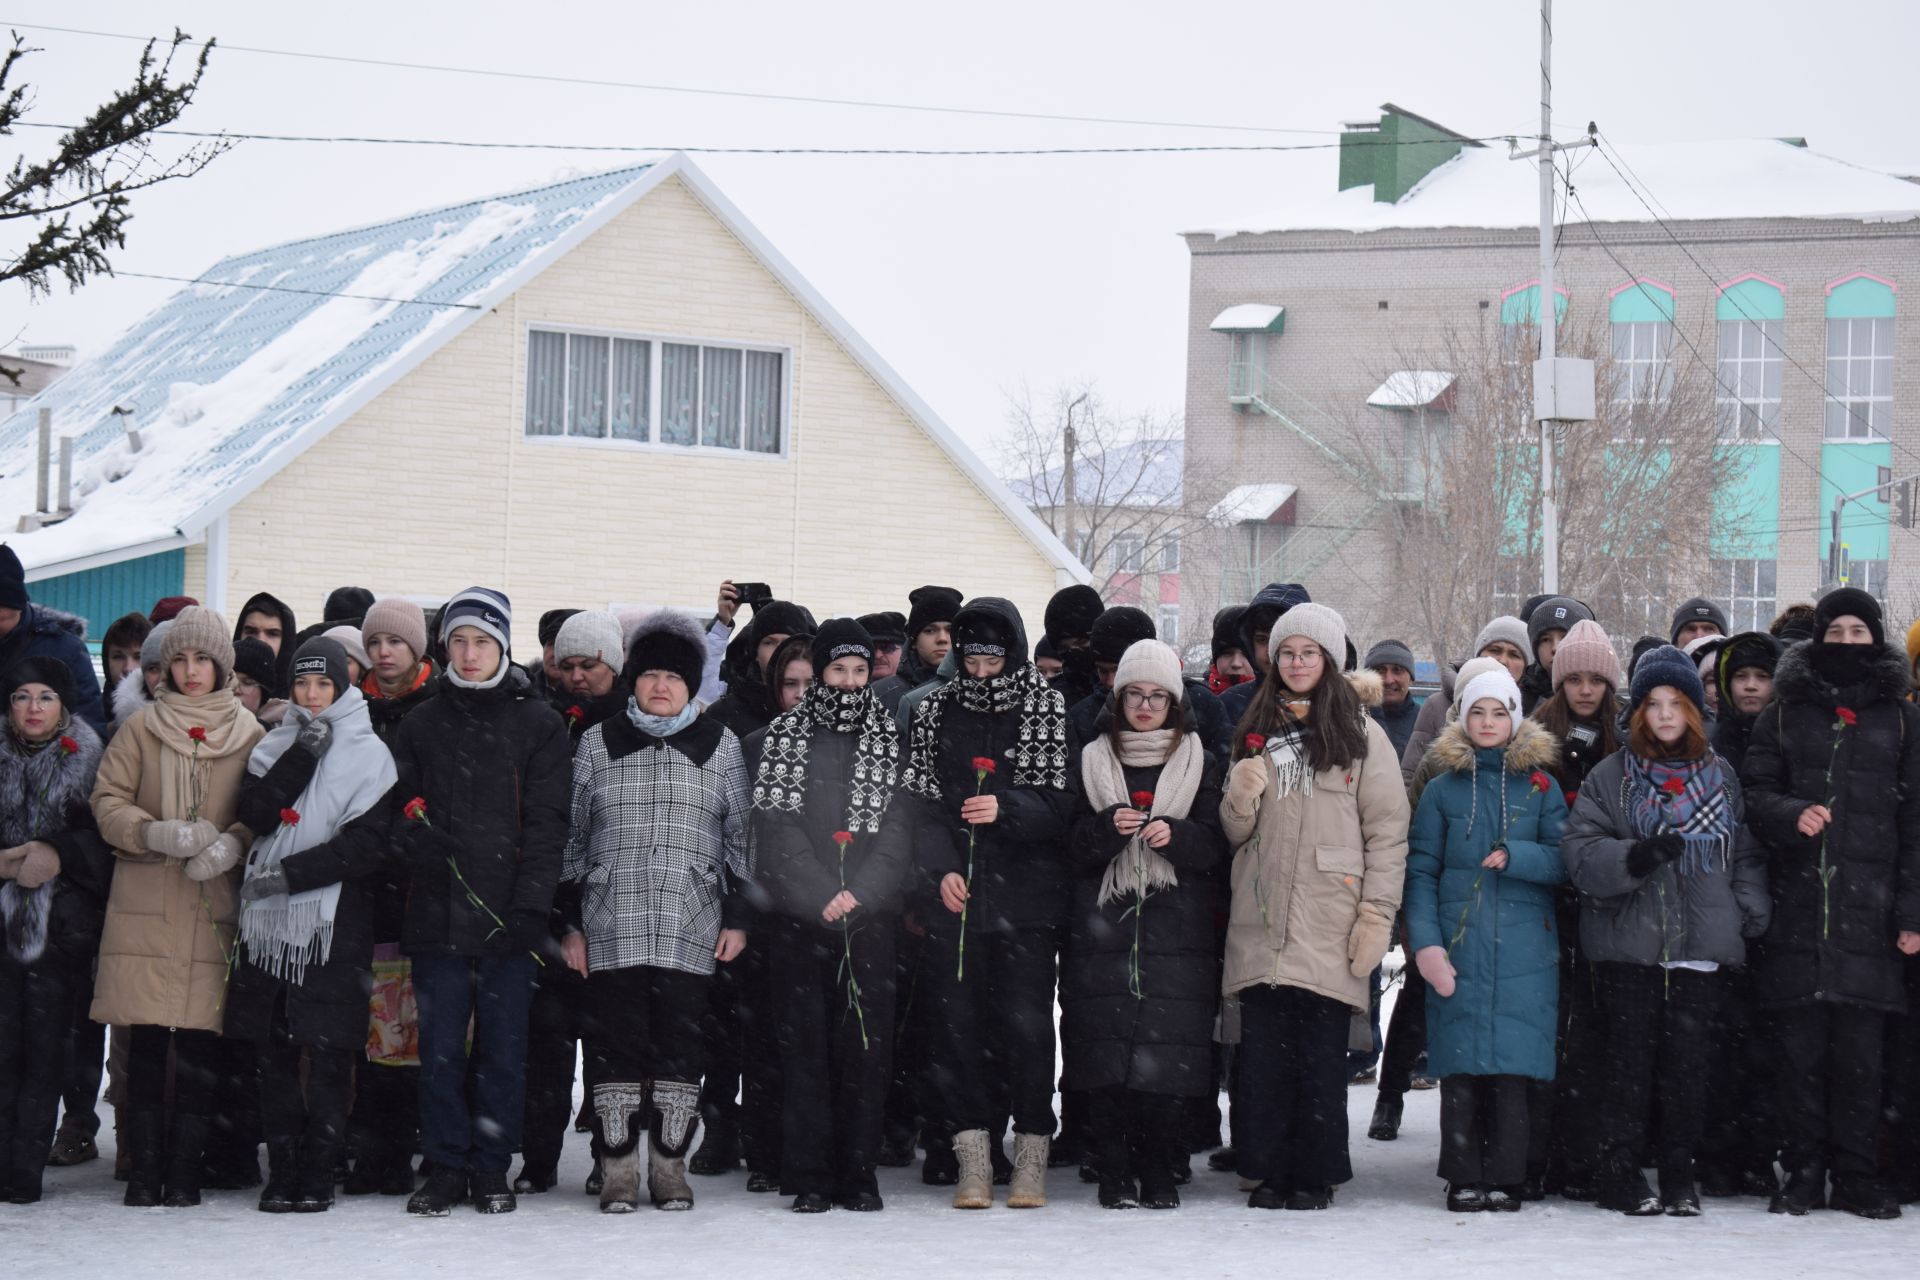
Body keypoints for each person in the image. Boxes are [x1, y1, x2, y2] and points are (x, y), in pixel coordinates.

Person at [1563, 644, 1770, 1217]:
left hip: (1701, 946)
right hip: (1632, 945)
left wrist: (1746, 910)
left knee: (1688, 1070)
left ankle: (1680, 1175)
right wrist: (1636, 857)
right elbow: (1580, 852)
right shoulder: (1613, 774)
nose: (1664, 714)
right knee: (1627, 1067)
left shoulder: (1720, 774)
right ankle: (1620, 1173)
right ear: (1638, 712)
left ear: (1694, 708)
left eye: (1675, 702)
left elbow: (1745, 852)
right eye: (1652, 703)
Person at [560, 609, 751, 1213]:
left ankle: (669, 1166)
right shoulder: (598, 742)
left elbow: (742, 839)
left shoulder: (719, 746)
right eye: (649, 676)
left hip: (689, 926)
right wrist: (567, 924)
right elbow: (571, 838)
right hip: (610, 922)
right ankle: (616, 1169)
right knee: (614, 1048)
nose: (660, 686)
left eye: (673, 676)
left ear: (692, 684)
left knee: (679, 1049)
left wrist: (740, 917)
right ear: (633, 681)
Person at [388, 587, 571, 1216]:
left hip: (507, 918)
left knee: (502, 1050)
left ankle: (491, 1165)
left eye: (483, 642)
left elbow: (549, 826)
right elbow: (395, 806)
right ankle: (444, 1164)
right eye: (459, 642)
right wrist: (414, 838)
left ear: (503, 647)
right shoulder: (421, 721)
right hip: (436, 912)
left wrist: (530, 908)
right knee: (439, 1050)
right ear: (444, 648)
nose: (470, 654)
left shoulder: (537, 723)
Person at [1740, 588, 1920, 1219]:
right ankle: (1803, 1171)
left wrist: (1910, 913)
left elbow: (1916, 824)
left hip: (1871, 919)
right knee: (1799, 1059)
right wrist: (1792, 816)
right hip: (1799, 910)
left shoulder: (1900, 717)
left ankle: (1857, 1175)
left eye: (1858, 631)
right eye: (1835, 631)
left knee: (1862, 1064)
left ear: (1875, 638)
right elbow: (1754, 793)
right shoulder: (1785, 713)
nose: (1846, 641)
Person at [1222, 602, 1407, 1210]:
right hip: (1264, 914)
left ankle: (1315, 1172)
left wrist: (1377, 914)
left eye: (1310, 653)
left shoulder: (1361, 734)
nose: (1298, 663)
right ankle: (1268, 1169)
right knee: (1265, 1064)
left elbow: (1386, 831)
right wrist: (1239, 800)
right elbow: (1234, 834)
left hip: (1332, 916)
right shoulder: (1256, 728)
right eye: (1288, 653)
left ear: (1330, 660)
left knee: (1320, 1061)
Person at [902, 596, 1074, 1210]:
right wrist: (940, 869)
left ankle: (1030, 1155)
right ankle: (973, 1159)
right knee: (958, 1031)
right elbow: (919, 806)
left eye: (991, 662)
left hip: (1026, 903)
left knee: (1026, 1032)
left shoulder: (1044, 705)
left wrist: (1009, 809)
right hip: (958, 900)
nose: (980, 673)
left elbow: (1061, 805)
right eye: (970, 662)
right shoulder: (933, 712)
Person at [89, 606, 266, 1207]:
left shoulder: (249, 733)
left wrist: (232, 844)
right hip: (144, 901)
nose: (191, 671)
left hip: (212, 901)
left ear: (223, 666)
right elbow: (107, 800)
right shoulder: (139, 729)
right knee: (144, 1043)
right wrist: (153, 833)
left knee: (198, 1044)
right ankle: (143, 1172)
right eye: (180, 660)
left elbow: (260, 814)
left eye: (203, 659)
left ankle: (185, 1173)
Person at [224, 637, 398, 1215]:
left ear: (343, 687)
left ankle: (320, 1170)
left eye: (324, 684)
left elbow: (368, 845)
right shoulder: (275, 743)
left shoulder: (371, 753)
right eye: (302, 684)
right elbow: (255, 814)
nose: (313, 695)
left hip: (333, 919)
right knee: (272, 1048)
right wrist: (303, 752)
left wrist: (291, 876)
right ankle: (284, 1167)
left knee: (328, 1051)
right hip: (268, 921)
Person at [754, 619, 916, 1212]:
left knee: (865, 1051)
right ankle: (812, 1173)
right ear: (819, 672)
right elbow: (775, 829)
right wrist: (820, 890)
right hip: (801, 922)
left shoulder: (887, 736)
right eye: (836, 670)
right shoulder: (786, 735)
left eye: (857, 671)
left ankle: (858, 1171)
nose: (848, 682)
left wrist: (864, 892)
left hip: (870, 922)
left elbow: (900, 828)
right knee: (806, 1050)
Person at [1063, 639, 1227, 1210]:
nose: (1146, 705)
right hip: (1104, 926)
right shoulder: (1088, 758)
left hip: (1176, 930)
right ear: (1119, 697)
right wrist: (1108, 828)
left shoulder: (1199, 759)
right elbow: (1069, 843)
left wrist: (1176, 837)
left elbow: (1218, 844)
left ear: (1175, 702)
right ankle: (1113, 1171)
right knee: (1106, 1058)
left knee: (1167, 1059)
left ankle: (1159, 1169)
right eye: (1135, 693)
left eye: (1158, 696)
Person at [1404, 667, 1565, 1212]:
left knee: (1513, 1070)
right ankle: (1463, 1174)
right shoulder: (1443, 790)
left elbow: (1566, 858)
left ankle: (1508, 1175)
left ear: (1516, 718)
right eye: (1478, 712)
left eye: (1499, 712)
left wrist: (1521, 857)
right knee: (1462, 1066)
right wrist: (1425, 943)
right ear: (1463, 718)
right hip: (1459, 944)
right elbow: (1421, 870)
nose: (1489, 722)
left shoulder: (1543, 787)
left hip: (1526, 951)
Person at [516, 609, 629, 1197]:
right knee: (549, 1045)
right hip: (553, 895)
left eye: (591, 666)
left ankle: (608, 1158)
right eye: (569, 665)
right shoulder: (544, 719)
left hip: (614, 899)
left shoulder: (631, 723)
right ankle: (538, 1159)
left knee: (609, 1046)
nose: (579, 676)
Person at [0, 657, 110, 1203]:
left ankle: (23, 1173)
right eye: (22, 696)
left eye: (45, 696)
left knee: (44, 1053)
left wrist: (57, 852)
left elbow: (104, 842)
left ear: (63, 704)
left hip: (59, 930)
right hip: (0, 927)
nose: (34, 707)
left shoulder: (90, 757)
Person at [1527, 618, 1624, 1200]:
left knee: (1595, 1036)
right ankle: (1541, 1154)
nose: (1585, 690)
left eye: (1596, 680)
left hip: (1607, 904)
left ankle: (1584, 1155)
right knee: (1549, 1032)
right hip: (1546, 901)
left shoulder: (1625, 739)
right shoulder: (1533, 738)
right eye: (1575, 679)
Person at [344, 596, 438, 1197]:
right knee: (367, 1026)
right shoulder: (353, 707)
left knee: (409, 1027)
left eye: (395, 643)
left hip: (416, 884)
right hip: (360, 882)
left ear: (416, 650)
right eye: (375, 643)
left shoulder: (435, 709)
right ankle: (366, 1146)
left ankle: (402, 1144)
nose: (383, 653)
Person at [1697, 629, 1785, 1200]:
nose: (1751, 686)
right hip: (1717, 907)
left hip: (1784, 906)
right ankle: (1719, 1155)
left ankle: (1759, 1153)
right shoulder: (1710, 744)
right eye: (1740, 677)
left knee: (1769, 1045)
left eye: (1760, 676)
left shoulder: (1791, 735)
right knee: (1716, 1041)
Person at [1400, 617, 1529, 783]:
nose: (1503, 660)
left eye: (1514, 654)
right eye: (1495, 650)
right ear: (1478, 654)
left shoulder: (1534, 708)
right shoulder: (1436, 705)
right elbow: (1410, 777)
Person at [0, 545, 105, 733]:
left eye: (2, 618)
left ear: (19, 607)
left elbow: (90, 726)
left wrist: (52, 753)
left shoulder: (64, 649)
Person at [1216, 582, 1312, 728]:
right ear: (1249, 643)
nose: (1270, 650)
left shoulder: (1332, 705)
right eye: (1262, 640)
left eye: (1281, 640)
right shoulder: (1231, 703)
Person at [873, 586, 962, 717]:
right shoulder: (882, 694)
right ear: (913, 641)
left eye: (950, 630)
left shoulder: (981, 692)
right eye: (930, 630)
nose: (942, 639)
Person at [1520, 597, 1593, 715]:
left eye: (1566, 637)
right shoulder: (1517, 701)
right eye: (1545, 639)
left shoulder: (1603, 701)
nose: (1555, 647)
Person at [1042, 584, 1106, 708]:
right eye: (1064, 649)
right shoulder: (1050, 698)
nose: (1074, 653)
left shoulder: (1116, 688)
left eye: (1081, 643)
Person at [233, 591, 298, 698]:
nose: (260, 640)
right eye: (251, 632)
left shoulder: (300, 698)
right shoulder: (219, 689)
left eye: (272, 634)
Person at [1364, 639, 1421, 759]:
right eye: (1379, 670)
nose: (1388, 680)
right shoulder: (1352, 718)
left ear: (1411, 678)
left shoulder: (1425, 721)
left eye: (1397, 670)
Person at [97, 612, 151, 732]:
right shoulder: (92, 715)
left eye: (138, 657)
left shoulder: (168, 716)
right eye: (118, 657)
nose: (128, 668)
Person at [1206, 606, 1254, 696]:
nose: (1236, 663)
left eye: (1246, 654)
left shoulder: (1277, 704)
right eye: (1227, 654)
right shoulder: (1198, 700)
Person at [858, 611, 907, 684]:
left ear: (904, 650)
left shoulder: (922, 693)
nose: (878, 655)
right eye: (870, 649)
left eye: (887, 647)